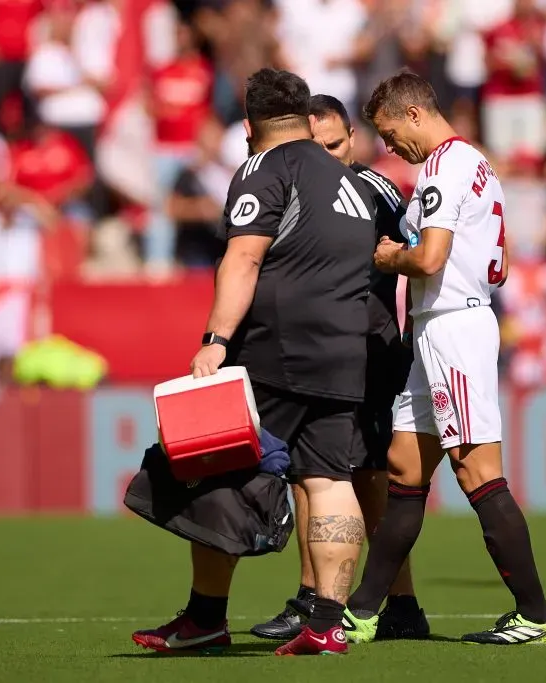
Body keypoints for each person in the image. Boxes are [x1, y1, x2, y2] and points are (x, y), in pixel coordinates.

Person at [131, 68, 375, 657]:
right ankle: (326, 621)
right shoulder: (347, 179)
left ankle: (205, 618)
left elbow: (243, 258)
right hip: (345, 351)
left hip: (276, 349)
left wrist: (215, 338)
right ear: (307, 119)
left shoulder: (264, 168)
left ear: (249, 126)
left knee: (213, 465)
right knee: (330, 479)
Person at [341, 70, 546, 646]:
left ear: (414, 114)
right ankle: (364, 611)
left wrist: (390, 255)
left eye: (390, 134)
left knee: (475, 469)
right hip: (444, 326)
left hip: (452, 329)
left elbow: (430, 258)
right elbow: (502, 263)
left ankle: (536, 616)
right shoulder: (480, 166)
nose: (390, 148)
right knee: (404, 468)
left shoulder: (442, 164)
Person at [249, 93, 427, 642]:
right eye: (315, 147)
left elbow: (421, 245)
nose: (325, 157)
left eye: (334, 146)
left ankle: (366, 603)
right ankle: (375, 604)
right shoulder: (304, 187)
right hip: (336, 351)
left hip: (368, 352)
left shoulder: (371, 188)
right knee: (325, 476)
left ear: (353, 141)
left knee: (353, 477)